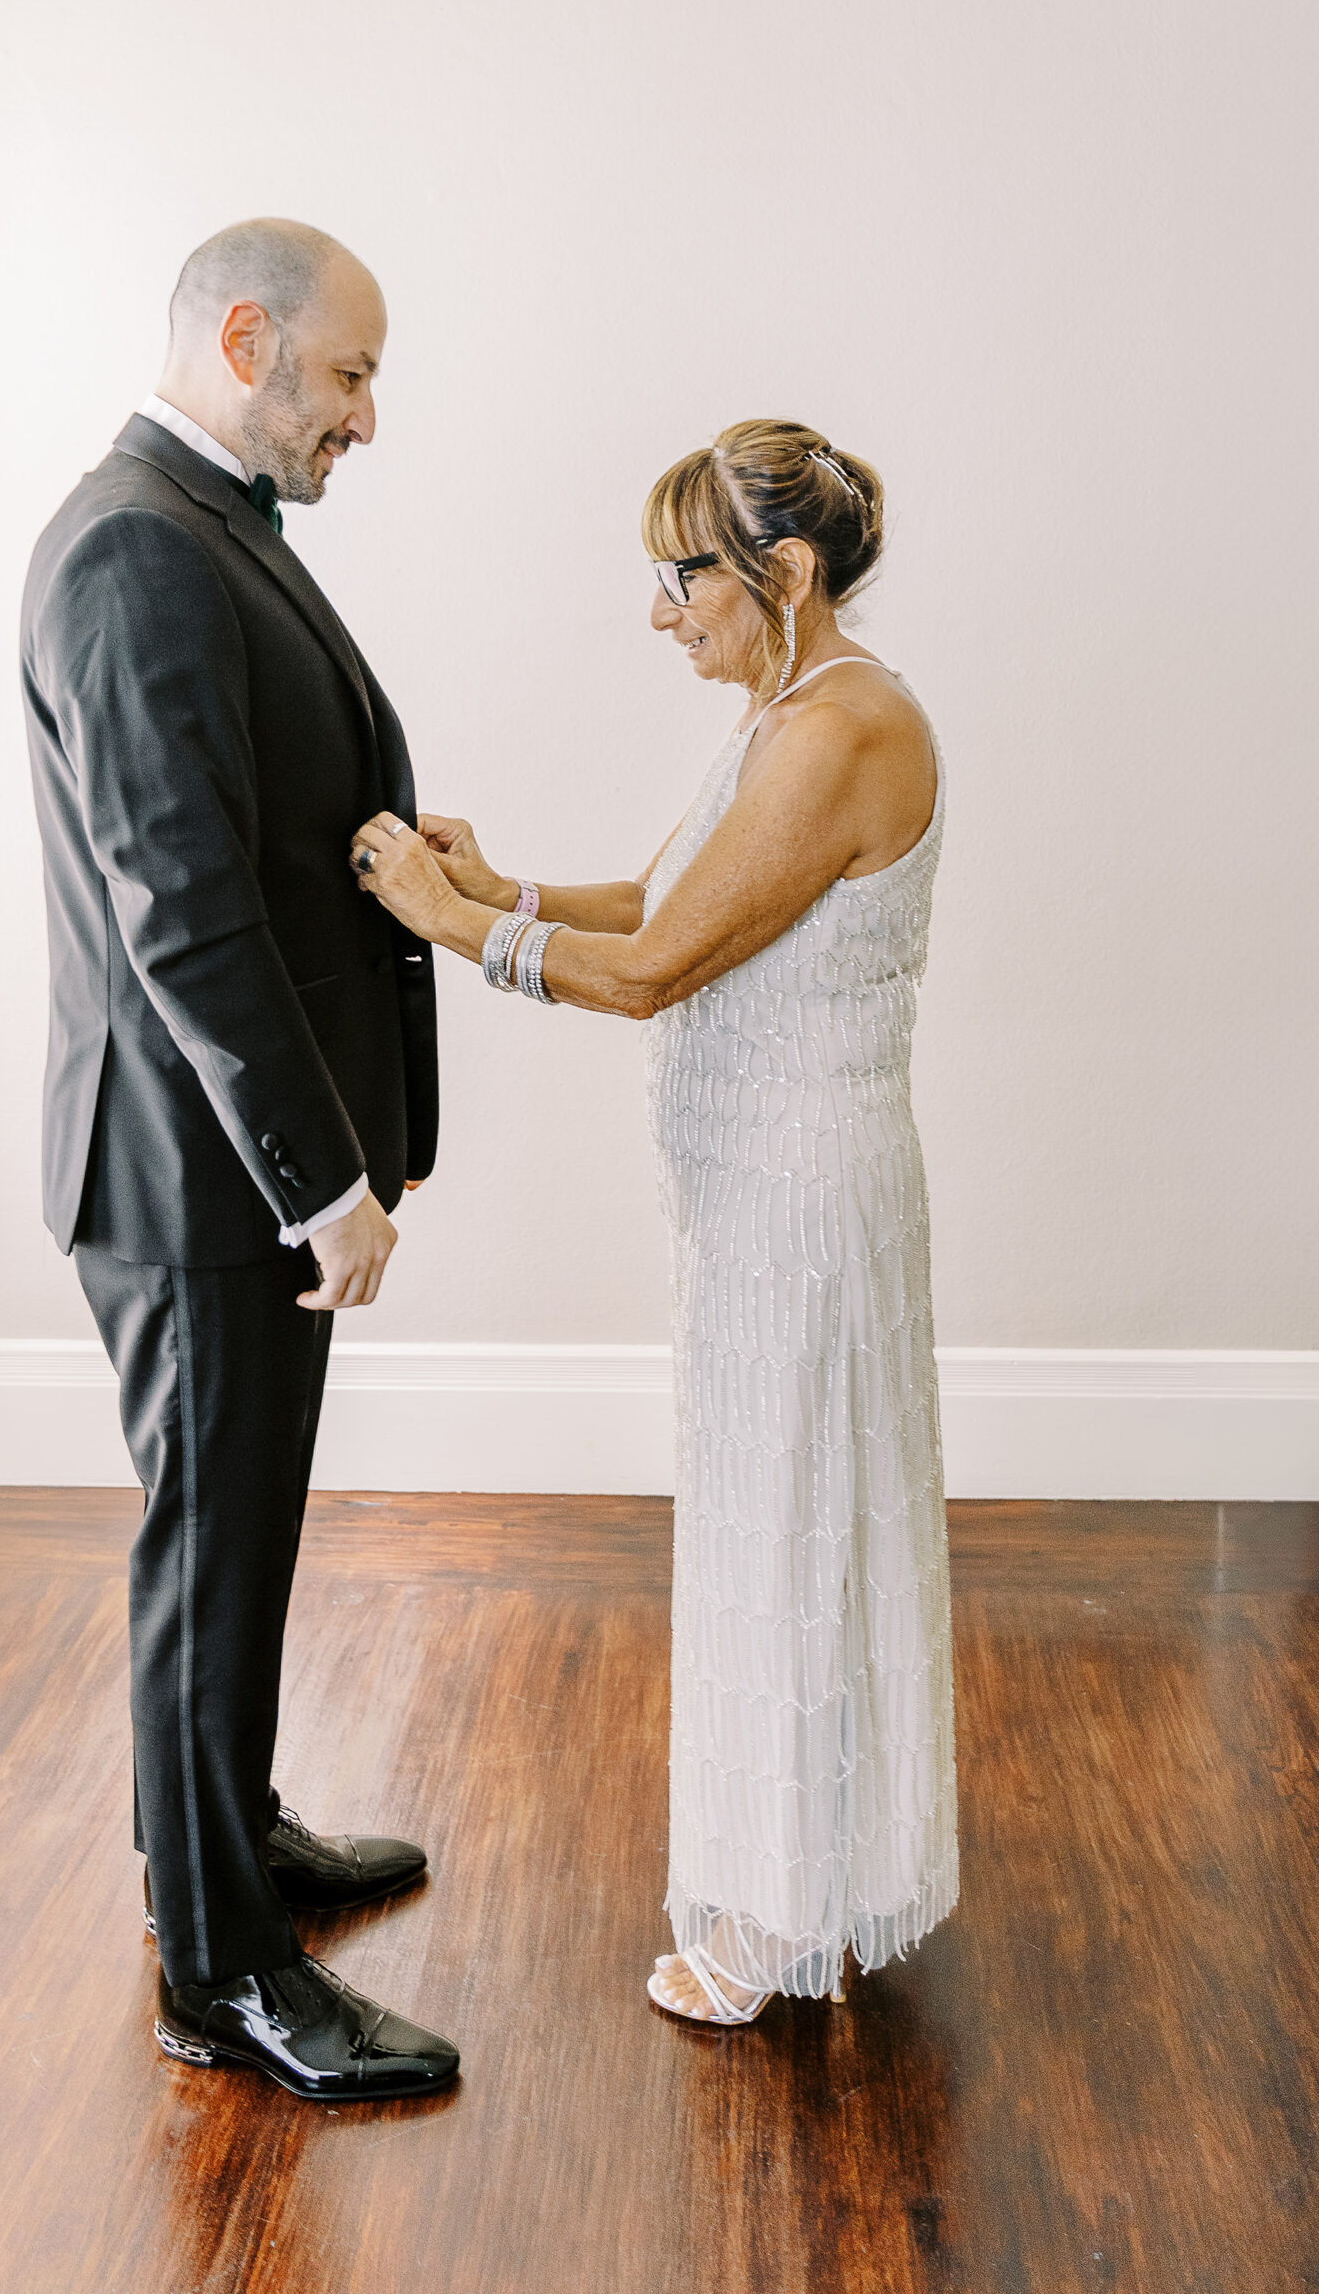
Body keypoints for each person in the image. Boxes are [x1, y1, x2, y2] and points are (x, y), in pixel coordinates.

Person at [350, 418, 957, 2024]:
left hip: (801, 1207)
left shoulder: (841, 729)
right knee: (791, 1523)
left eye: (680, 576)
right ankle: (821, 1888)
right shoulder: (793, 711)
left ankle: (764, 1930)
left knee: (783, 1532)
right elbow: (664, 896)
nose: (659, 611)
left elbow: (658, 970)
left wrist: (449, 927)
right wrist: (513, 891)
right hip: (765, 1191)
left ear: (786, 572)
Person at [20, 219, 459, 2100]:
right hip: (202, 1177)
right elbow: (176, 910)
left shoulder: (203, 532)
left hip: (222, 1169)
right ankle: (221, 1974)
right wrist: (319, 1180)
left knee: (237, 1539)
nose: (365, 417)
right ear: (247, 337)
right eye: (348, 377)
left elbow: (252, 835)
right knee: (208, 1554)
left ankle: (223, 1834)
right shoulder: (136, 546)